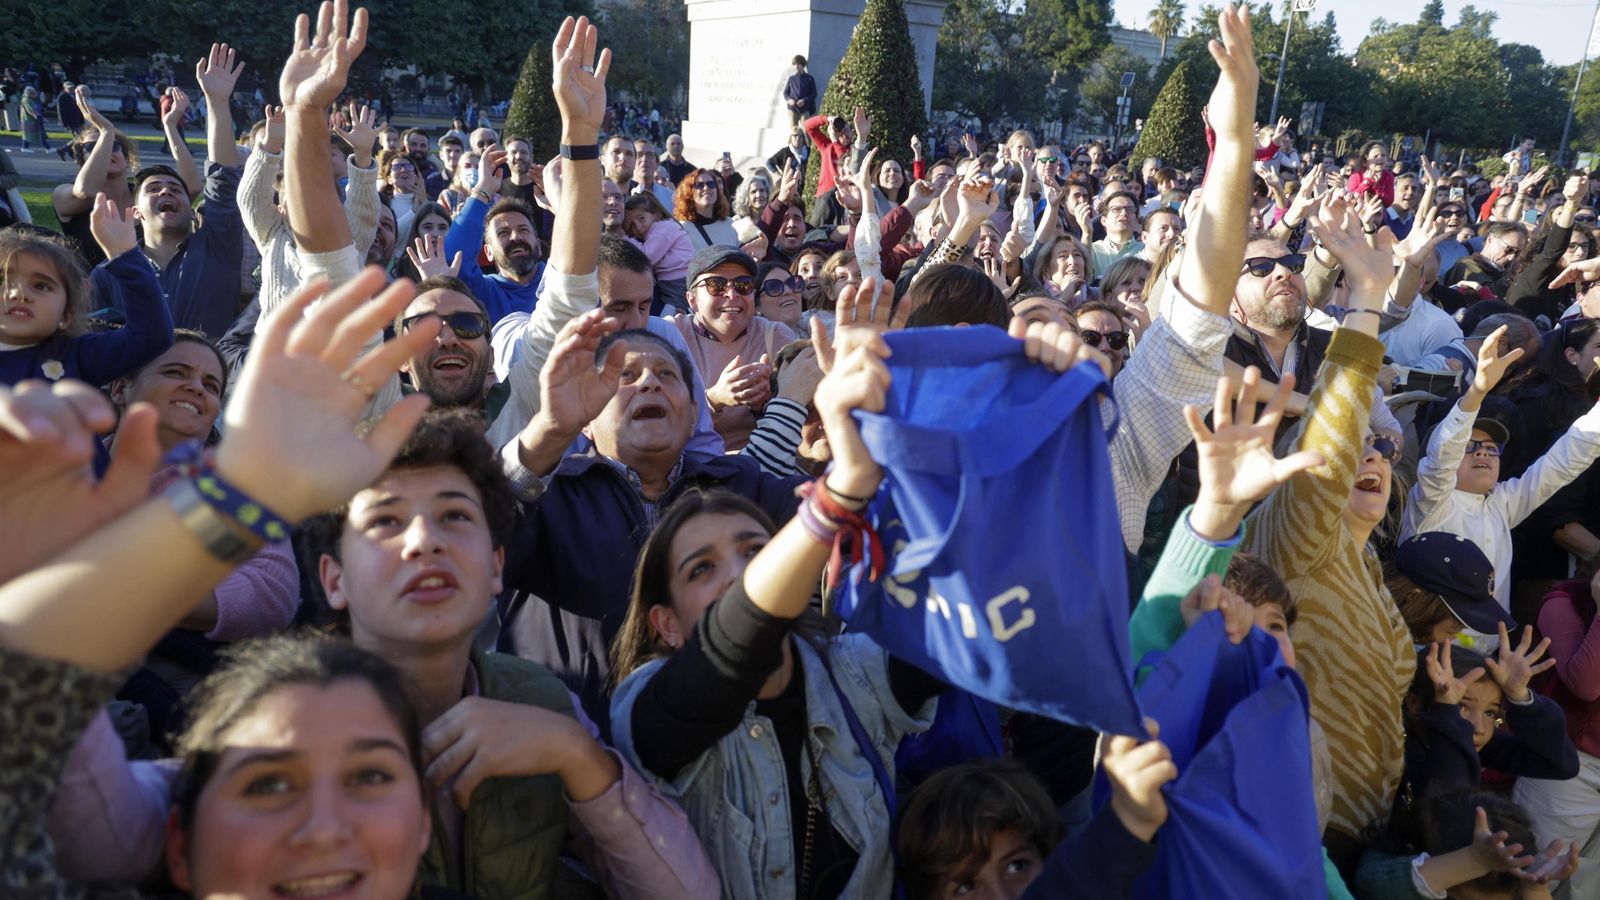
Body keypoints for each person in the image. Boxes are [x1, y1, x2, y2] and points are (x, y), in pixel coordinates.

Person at [1238, 192, 1422, 870]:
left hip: (1374, 829)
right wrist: (1367, 298)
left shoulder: (1368, 560)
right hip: (1302, 837)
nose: (1369, 455)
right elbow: (1335, 431)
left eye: (1380, 448)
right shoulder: (1297, 536)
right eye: (1355, 450)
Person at [1401, 325, 1600, 626]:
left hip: (1493, 656)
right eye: (1470, 447)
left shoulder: (1502, 504)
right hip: (1430, 654)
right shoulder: (1431, 502)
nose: (1483, 453)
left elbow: (1562, 463)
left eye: (1492, 447)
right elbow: (1442, 456)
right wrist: (1478, 390)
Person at [88, 43, 245, 339]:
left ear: (190, 205)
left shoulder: (217, 246)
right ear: (135, 213)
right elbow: (96, 345)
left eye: (176, 189)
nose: (166, 193)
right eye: (154, 189)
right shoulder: (109, 274)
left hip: (209, 381)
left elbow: (222, 180)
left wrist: (217, 102)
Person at [0, 198, 172, 388]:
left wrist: (125, 255)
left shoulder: (78, 355)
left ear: (67, 313)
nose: (18, 293)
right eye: (2, 281)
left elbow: (151, 337)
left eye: (41, 286)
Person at [52, 86, 198, 269]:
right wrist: (106, 132)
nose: (104, 150)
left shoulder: (144, 196)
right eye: (92, 148)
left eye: (113, 145)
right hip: (90, 293)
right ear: (81, 163)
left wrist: (171, 127)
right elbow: (86, 191)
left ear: (128, 160)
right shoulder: (63, 194)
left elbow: (190, 187)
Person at [441, 146, 545, 323]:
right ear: (488, 252)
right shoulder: (482, 291)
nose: (515, 237)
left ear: (539, 245)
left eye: (523, 230)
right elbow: (453, 259)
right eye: (503, 233)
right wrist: (483, 190)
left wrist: (561, 203)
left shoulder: (557, 280)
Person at [623, 191, 693, 316]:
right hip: (670, 283)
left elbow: (646, 256)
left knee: (666, 319)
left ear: (657, 214)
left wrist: (624, 237)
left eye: (641, 219)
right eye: (632, 225)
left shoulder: (663, 228)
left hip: (680, 283)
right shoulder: (654, 232)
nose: (638, 227)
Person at [673, 167, 740, 251]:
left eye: (711, 184)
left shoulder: (730, 224)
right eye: (699, 185)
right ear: (689, 192)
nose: (706, 188)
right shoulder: (682, 229)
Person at [783, 55, 817, 126]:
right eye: (794, 64)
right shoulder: (791, 78)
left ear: (802, 65)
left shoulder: (809, 78)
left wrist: (804, 100)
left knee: (806, 131)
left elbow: (814, 94)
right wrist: (789, 100)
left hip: (805, 109)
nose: (796, 66)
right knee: (794, 131)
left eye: (798, 64)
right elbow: (785, 93)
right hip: (792, 109)